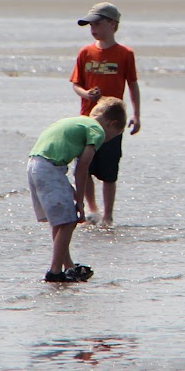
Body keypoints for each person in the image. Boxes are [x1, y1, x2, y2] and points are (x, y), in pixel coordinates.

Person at [26, 97, 126, 283]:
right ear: (112, 123)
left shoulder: (76, 120)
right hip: (50, 168)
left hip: (34, 164)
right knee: (70, 220)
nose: (105, 142)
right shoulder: (97, 130)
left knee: (60, 221)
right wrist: (80, 201)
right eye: (111, 137)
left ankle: (68, 266)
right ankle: (55, 272)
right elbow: (83, 166)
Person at [69, 1, 141, 225]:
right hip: (87, 119)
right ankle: (92, 210)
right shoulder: (85, 52)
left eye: (98, 24)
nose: (93, 29)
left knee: (109, 171)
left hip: (112, 123)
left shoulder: (125, 54)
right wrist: (86, 94)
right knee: (85, 166)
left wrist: (136, 115)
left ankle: (108, 215)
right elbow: (75, 83)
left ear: (112, 24)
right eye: (90, 25)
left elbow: (133, 85)